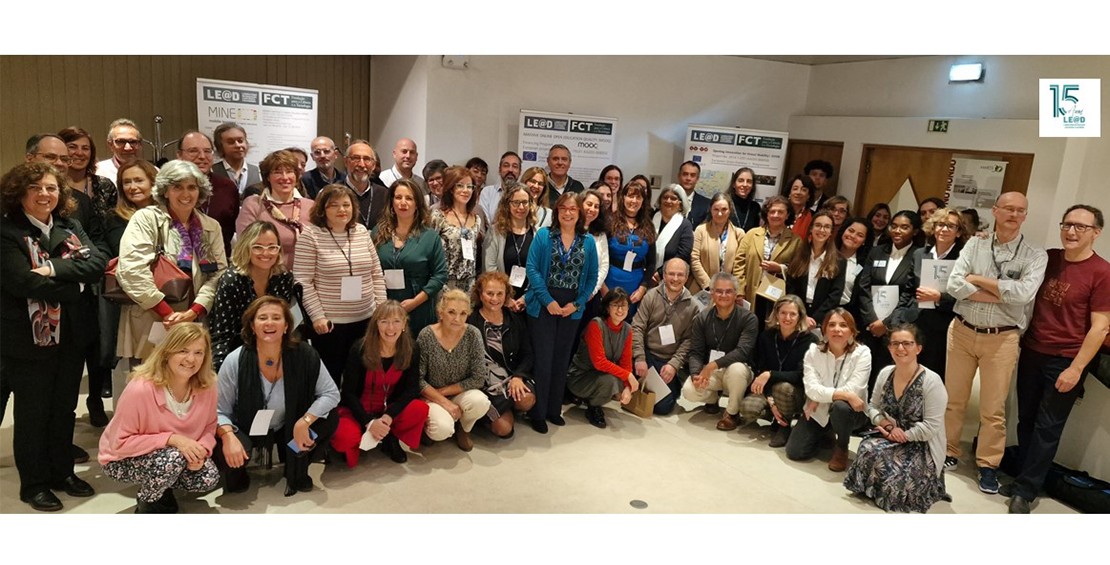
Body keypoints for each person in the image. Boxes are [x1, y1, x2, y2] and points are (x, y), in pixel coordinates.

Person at [1, 162, 106, 511]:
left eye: (51, 187)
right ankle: (34, 484)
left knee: (63, 409)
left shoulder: (69, 225)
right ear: (19, 193)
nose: (44, 194)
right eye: (35, 188)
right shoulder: (7, 231)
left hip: (72, 335)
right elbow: (22, 282)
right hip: (27, 339)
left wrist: (52, 269)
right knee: (33, 413)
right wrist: (75, 287)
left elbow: (97, 264)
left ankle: (62, 472)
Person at [1005, 205, 1110, 513]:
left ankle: (1025, 490)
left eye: (1080, 226)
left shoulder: (1102, 272)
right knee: (1026, 418)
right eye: (1067, 224)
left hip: (1065, 359)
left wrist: (1076, 369)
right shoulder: (1048, 258)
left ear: (1096, 232)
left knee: (1047, 427)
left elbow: (1100, 327)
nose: (1071, 231)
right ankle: (1023, 477)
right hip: (1032, 351)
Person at [942, 192, 1047, 495]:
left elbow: (1023, 294)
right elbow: (954, 284)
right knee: (954, 399)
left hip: (1002, 337)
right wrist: (1001, 293)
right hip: (962, 331)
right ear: (996, 210)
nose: (1014, 214)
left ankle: (988, 464)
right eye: (1008, 209)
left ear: (1025, 216)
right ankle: (948, 450)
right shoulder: (975, 244)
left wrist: (977, 279)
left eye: (1020, 210)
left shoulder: (1035, 255)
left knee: (993, 408)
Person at [215, 296, 339, 496]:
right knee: (224, 446)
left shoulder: (305, 354)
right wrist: (228, 437)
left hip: (289, 426)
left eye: (276, 317)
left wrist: (305, 422)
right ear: (252, 326)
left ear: (286, 326)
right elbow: (219, 410)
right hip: (247, 427)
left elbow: (331, 393)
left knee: (329, 418)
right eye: (262, 318)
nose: (269, 323)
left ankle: (296, 462)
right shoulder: (234, 360)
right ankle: (238, 472)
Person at [97, 323, 220, 513]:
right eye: (183, 351)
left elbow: (210, 426)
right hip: (121, 458)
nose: (191, 359)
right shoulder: (140, 389)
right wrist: (172, 439)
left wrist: (201, 450)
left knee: (208, 477)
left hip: (173, 455)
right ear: (167, 352)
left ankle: (164, 486)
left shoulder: (208, 386)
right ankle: (147, 502)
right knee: (173, 459)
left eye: (198, 353)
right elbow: (119, 443)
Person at [117, 160, 227, 362]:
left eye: (192, 187)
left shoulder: (211, 226)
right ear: (165, 191)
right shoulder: (146, 218)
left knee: (191, 376)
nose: (186, 194)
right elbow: (131, 271)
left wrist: (194, 311)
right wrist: (167, 313)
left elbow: (218, 275)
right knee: (150, 379)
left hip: (195, 320)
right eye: (177, 187)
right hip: (153, 318)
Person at [843, 324, 950, 512]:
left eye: (907, 343)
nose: (900, 348)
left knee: (897, 469)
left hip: (921, 445)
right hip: (890, 435)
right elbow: (872, 407)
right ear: (889, 348)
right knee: (867, 448)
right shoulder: (886, 373)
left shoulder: (932, 381)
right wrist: (886, 425)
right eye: (895, 343)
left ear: (918, 348)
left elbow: (931, 426)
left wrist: (904, 435)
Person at [295, 184, 388, 384]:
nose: (342, 210)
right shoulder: (311, 235)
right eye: (334, 205)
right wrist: (317, 316)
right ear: (322, 209)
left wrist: (381, 309)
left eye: (346, 204)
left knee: (360, 379)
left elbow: (376, 274)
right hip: (330, 325)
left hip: (366, 319)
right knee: (331, 379)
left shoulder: (361, 231)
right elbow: (303, 282)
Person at [525, 191, 599, 433]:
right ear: (556, 211)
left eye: (573, 209)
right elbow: (532, 269)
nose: (568, 213)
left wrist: (577, 304)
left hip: (571, 308)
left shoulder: (588, 241)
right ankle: (538, 412)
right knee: (543, 360)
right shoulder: (544, 235)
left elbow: (592, 277)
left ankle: (553, 410)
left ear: (580, 213)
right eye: (563, 208)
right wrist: (548, 301)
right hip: (544, 305)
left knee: (561, 359)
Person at [92, 160, 159, 417]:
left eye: (138, 180)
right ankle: (137, 421)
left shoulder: (169, 213)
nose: (132, 187)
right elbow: (125, 254)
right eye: (126, 182)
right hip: (133, 301)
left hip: (170, 297)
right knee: (139, 367)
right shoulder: (115, 217)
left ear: (153, 182)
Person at [331, 300, 429, 467]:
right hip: (358, 410)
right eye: (384, 321)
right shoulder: (360, 348)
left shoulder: (412, 348)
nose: (390, 328)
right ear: (376, 324)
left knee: (420, 409)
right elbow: (348, 393)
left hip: (388, 410)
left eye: (396, 321)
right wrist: (368, 422)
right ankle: (363, 434)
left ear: (404, 324)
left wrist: (389, 416)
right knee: (344, 438)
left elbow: (412, 389)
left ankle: (391, 437)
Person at [786, 308, 871, 471]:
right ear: (824, 330)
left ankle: (842, 447)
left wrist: (820, 396)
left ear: (852, 331)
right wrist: (843, 395)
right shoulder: (813, 352)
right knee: (795, 452)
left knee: (840, 407)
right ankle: (826, 432)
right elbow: (811, 388)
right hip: (818, 409)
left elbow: (855, 389)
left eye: (843, 325)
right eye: (831, 325)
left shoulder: (863, 353)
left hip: (850, 411)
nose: (837, 329)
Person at [209, 221, 298, 370]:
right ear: (246, 248)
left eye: (272, 247)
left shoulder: (284, 278)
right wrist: (220, 371)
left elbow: (282, 325)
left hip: (274, 350)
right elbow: (222, 334)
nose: (266, 253)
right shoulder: (232, 280)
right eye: (258, 247)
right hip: (238, 353)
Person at [895, 208, 968, 381]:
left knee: (933, 377)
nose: (944, 229)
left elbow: (965, 296)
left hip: (943, 328)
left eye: (950, 226)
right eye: (940, 224)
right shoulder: (920, 254)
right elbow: (908, 290)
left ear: (958, 232)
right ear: (933, 228)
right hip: (915, 323)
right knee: (908, 374)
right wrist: (898, 319)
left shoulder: (963, 258)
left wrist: (939, 298)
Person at [738, 295, 820, 448]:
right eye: (783, 313)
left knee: (783, 387)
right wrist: (771, 401)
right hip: (770, 389)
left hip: (796, 392)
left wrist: (771, 374)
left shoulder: (810, 341)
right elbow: (760, 369)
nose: (787, 318)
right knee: (747, 409)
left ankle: (785, 425)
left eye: (792, 314)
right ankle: (775, 415)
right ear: (776, 314)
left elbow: (802, 376)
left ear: (800, 316)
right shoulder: (766, 336)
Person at [682, 272, 760, 430]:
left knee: (737, 369)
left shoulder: (749, 318)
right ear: (711, 293)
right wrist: (696, 374)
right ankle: (712, 400)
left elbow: (742, 352)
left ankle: (732, 413)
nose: (723, 295)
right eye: (719, 291)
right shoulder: (702, 318)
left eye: (728, 291)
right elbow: (696, 352)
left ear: (735, 294)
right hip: (713, 371)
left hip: (739, 370)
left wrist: (712, 366)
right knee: (689, 390)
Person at [417, 289, 491, 451]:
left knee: (481, 402)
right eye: (451, 312)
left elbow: (478, 377)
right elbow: (418, 379)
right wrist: (442, 400)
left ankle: (464, 429)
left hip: (459, 392)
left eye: (463, 313)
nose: (457, 319)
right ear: (441, 313)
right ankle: (430, 427)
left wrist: (443, 393)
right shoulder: (426, 335)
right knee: (441, 430)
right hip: (432, 395)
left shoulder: (473, 334)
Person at [373, 179, 448, 336]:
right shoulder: (378, 233)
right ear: (391, 202)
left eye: (409, 198)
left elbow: (440, 275)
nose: (403, 202)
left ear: (417, 204)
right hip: (385, 305)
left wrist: (415, 302)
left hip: (419, 306)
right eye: (398, 197)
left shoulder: (429, 236)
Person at [469, 272, 537, 437]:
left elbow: (528, 353)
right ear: (480, 294)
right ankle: (490, 414)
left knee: (527, 400)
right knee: (503, 429)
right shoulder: (470, 321)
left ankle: (507, 407)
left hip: (511, 378)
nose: (495, 298)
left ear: (507, 295)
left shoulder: (514, 320)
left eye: (500, 294)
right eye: (490, 293)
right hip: (485, 386)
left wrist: (519, 376)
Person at [857, 210, 921, 383]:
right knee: (863, 370)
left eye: (904, 227)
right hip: (870, 324)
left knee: (888, 372)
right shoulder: (877, 252)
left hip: (898, 326)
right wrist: (872, 319)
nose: (897, 231)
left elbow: (910, 294)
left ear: (915, 231)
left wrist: (886, 323)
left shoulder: (918, 255)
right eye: (894, 226)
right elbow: (864, 286)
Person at [631, 258, 700, 415]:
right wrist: (640, 357)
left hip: (668, 361)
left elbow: (689, 340)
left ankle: (673, 385)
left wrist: (673, 365)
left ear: (687, 277)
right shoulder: (650, 296)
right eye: (671, 274)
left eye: (680, 275)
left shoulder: (693, 307)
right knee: (630, 389)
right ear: (664, 274)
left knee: (663, 407)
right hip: (647, 355)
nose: (675, 279)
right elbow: (637, 327)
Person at [567, 288, 639, 428]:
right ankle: (593, 407)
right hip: (580, 375)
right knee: (613, 380)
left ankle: (592, 399)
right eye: (615, 305)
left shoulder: (628, 330)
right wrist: (628, 376)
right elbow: (599, 362)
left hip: (600, 375)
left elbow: (626, 362)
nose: (620, 310)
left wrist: (627, 387)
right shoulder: (596, 325)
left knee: (620, 378)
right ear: (607, 307)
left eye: (623, 305)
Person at [236, 150, 314, 270]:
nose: (285, 177)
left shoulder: (310, 206)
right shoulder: (254, 205)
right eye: (278, 172)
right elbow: (245, 246)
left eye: (289, 172)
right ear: (267, 177)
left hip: (306, 274)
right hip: (266, 275)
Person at [735, 195, 800, 326]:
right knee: (750, 327)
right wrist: (740, 291)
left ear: (787, 215)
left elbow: (798, 269)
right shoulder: (751, 234)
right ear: (766, 214)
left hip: (776, 295)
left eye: (780, 212)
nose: (775, 215)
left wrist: (780, 268)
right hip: (751, 292)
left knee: (771, 329)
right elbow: (739, 264)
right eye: (772, 211)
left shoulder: (796, 240)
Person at [176, 131, 239, 257]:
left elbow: (231, 227)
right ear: (179, 155)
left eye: (207, 151)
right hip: (178, 260)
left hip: (219, 259)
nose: (202, 156)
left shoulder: (227, 187)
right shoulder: (171, 187)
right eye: (193, 151)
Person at [784, 211, 846, 330]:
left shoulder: (839, 260)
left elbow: (835, 295)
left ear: (831, 232)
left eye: (827, 227)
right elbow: (791, 288)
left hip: (823, 319)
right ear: (811, 228)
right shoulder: (797, 255)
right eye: (818, 225)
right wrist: (802, 316)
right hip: (797, 314)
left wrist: (815, 319)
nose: (822, 230)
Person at [604, 180, 656, 318]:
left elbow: (651, 263)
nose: (634, 201)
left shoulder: (648, 226)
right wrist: (603, 288)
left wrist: (643, 288)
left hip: (635, 285)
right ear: (623, 198)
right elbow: (600, 259)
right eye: (630, 196)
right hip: (610, 281)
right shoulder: (610, 222)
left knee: (627, 322)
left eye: (638, 197)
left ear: (643, 201)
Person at [483, 184, 536, 312]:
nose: (521, 207)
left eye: (525, 202)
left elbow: (540, 271)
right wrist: (505, 298)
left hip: (529, 302)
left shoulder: (537, 233)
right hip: (499, 302)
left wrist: (526, 298)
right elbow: (489, 269)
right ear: (507, 204)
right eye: (516, 203)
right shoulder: (495, 232)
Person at [433, 166, 484, 292]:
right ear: (451, 188)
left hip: (469, 284)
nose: (465, 190)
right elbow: (429, 250)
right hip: (444, 283)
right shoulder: (438, 216)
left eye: (469, 186)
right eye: (460, 186)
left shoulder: (476, 219)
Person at [59, 126, 117, 224]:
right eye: (72, 147)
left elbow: (113, 224)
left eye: (85, 148)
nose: (80, 153)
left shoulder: (105, 186)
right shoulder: (52, 185)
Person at [691, 192, 744, 293]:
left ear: (730, 210)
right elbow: (694, 259)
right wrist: (708, 285)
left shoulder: (739, 234)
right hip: (703, 288)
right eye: (716, 209)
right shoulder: (700, 230)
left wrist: (732, 287)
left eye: (724, 209)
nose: (720, 213)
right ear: (710, 209)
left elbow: (740, 264)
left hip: (728, 291)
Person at [651, 184, 694, 283]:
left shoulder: (685, 225)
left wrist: (660, 273)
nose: (668, 201)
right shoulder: (652, 219)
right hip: (645, 275)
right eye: (665, 197)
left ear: (680, 203)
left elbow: (683, 255)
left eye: (673, 198)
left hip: (671, 278)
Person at [835, 217, 875, 321]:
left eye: (860, 235)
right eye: (851, 231)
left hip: (849, 313)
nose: (853, 236)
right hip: (822, 311)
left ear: (864, 241)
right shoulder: (828, 253)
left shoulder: (864, 264)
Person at [343, 140, 388, 229]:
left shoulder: (385, 194)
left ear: (373, 165)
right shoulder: (332, 194)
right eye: (356, 158)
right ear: (346, 162)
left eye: (367, 159)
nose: (361, 164)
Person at [211, 122, 260, 195]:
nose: (238, 145)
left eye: (240, 141)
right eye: (231, 142)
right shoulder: (212, 171)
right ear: (220, 146)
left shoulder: (256, 171)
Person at [96, 118, 144, 185]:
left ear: (140, 144)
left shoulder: (153, 172)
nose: (127, 148)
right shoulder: (98, 171)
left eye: (133, 142)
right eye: (121, 142)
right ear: (110, 144)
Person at [477, 151, 522, 220]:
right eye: (506, 165)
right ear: (499, 170)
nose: (510, 170)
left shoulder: (524, 195)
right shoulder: (487, 192)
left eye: (515, 166)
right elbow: (484, 221)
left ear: (520, 172)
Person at [675, 160, 710, 227]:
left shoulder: (707, 205)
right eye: (685, 174)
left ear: (697, 179)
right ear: (679, 176)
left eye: (692, 175)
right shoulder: (667, 200)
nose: (688, 178)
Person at [728, 167, 761, 233]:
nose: (745, 184)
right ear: (733, 184)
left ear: (752, 186)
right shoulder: (725, 204)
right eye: (741, 180)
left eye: (749, 181)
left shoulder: (755, 207)